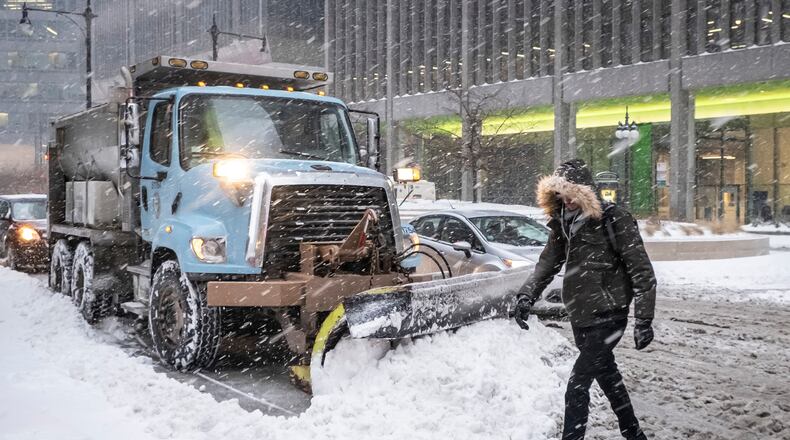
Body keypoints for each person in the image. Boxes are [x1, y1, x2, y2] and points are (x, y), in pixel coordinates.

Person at [513, 159, 656, 440]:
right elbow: (546, 265)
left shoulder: (614, 220)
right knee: (608, 377)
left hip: (609, 316)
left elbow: (641, 271)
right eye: (560, 193)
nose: (566, 200)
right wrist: (526, 295)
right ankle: (634, 434)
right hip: (581, 316)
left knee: (577, 386)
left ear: (584, 193)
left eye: (571, 193)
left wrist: (644, 320)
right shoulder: (562, 225)